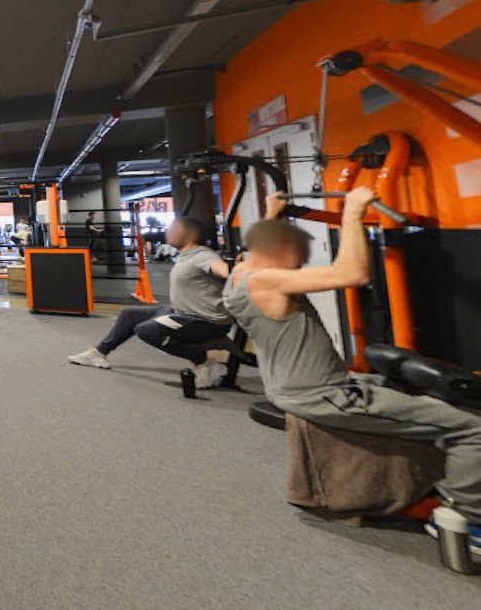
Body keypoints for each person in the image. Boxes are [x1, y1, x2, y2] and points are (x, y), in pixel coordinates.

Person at [228, 189, 481, 543]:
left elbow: (267, 244)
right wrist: (352, 213)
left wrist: (273, 213)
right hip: (325, 394)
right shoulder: (267, 281)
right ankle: (467, 519)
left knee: (401, 390)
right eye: (298, 256)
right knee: (473, 428)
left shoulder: (241, 271)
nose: (300, 265)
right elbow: (353, 273)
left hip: (297, 387)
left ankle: (432, 478)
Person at [67, 216, 236, 387]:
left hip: (205, 321)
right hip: (182, 312)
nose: (169, 232)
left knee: (147, 330)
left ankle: (206, 363)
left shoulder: (203, 255)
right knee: (129, 314)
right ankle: (98, 353)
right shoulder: (186, 255)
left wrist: (236, 269)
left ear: (191, 234)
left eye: (174, 229)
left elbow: (223, 269)